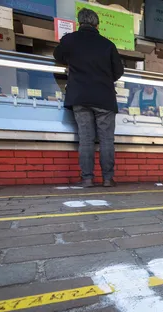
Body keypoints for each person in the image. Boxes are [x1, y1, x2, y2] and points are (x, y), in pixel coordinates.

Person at [54, 8, 124, 188]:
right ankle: (108, 179)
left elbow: (58, 56)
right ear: (97, 24)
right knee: (106, 139)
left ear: (79, 22)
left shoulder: (70, 40)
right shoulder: (107, 44)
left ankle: (87, 178)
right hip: (104, 98)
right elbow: (118, 72)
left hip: (80, 96)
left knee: (86, 139)